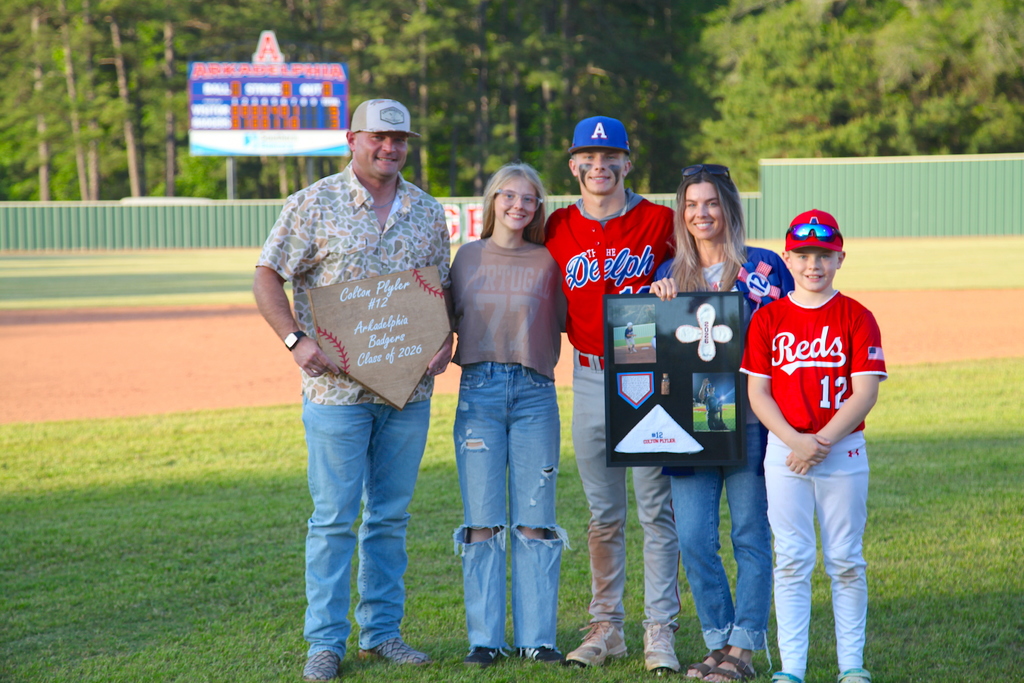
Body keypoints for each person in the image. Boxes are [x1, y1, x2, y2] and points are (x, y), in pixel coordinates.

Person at [252, 99, 453, 683]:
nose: (389, 148)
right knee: (335, 519)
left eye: (399, 140)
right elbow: (267, 273)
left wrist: (445, 340)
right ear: (351, 139)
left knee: (390, 517)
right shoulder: (313, 204)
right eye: (377, 138)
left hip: (407, 394)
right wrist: (295, 341)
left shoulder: (426, 210)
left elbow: (438, 290)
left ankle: (383, 633)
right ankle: (325, 644)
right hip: (336, 395)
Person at [544, 115, 681, 673]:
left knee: (655, 509)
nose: (598, 166)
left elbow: (701, 263)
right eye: (588, 158)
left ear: (628, 162)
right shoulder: (555, 226)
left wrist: (675, 273)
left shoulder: (661, 219)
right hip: (587, 372)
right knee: (603, 513)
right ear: (574, 165)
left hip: (647, 374)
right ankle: (607, 626)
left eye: (610, 157)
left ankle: (659, 629)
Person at [649, 164, 793, 682]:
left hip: (750, 417)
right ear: (681, 213)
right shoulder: (669, 274)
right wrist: (659, 304)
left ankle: (746, 646)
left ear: (728, 207)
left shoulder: (764, 268)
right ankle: (718, 640)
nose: (701, 213)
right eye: (691, 204)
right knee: (692, 537)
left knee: (751, 533)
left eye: (710, 203)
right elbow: (653, 350)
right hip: (689, 419)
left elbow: (787, 338)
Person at [740, 210, 887, 683]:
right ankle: (793, 668)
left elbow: (865, 391)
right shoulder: (768, 318)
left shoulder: (857, 316)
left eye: (823, 255)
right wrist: (795, 441)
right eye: (802, 255)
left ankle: (851, 665)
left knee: (845, 558)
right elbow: (757, 392)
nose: (813, 265)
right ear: (788, 258)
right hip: (785, 452)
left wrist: (818, 442)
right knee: (793, 559)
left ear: (840, 257)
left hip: (841, 452)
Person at [449, 162, 567, 667]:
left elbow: (571, 321)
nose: (519, 205)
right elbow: (437, 322)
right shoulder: (466, 258)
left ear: (538, 207)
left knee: (535, 521)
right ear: (492, 200)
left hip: (535, 393)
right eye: (509, 196)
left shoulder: (547, 261)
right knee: (482, 522)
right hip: (478, 391)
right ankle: (485, 640)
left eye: (530, 199)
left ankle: (538, 639)